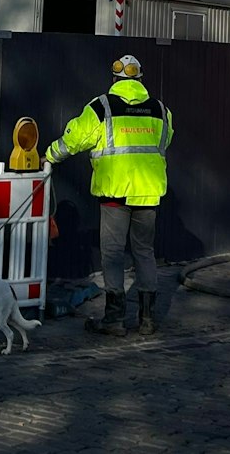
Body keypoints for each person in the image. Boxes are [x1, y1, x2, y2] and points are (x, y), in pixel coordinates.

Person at [45, 53, 174, 337]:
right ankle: (148, 319)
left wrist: (50, 156)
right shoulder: (161, 110)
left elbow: (75, 138)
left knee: (113, 255)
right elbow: (166, 140)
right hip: (148, 194)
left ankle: (114, 320)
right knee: (144, 252)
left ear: (115, 79)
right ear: (140, 79)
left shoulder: (101, 107)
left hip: (115, 193)